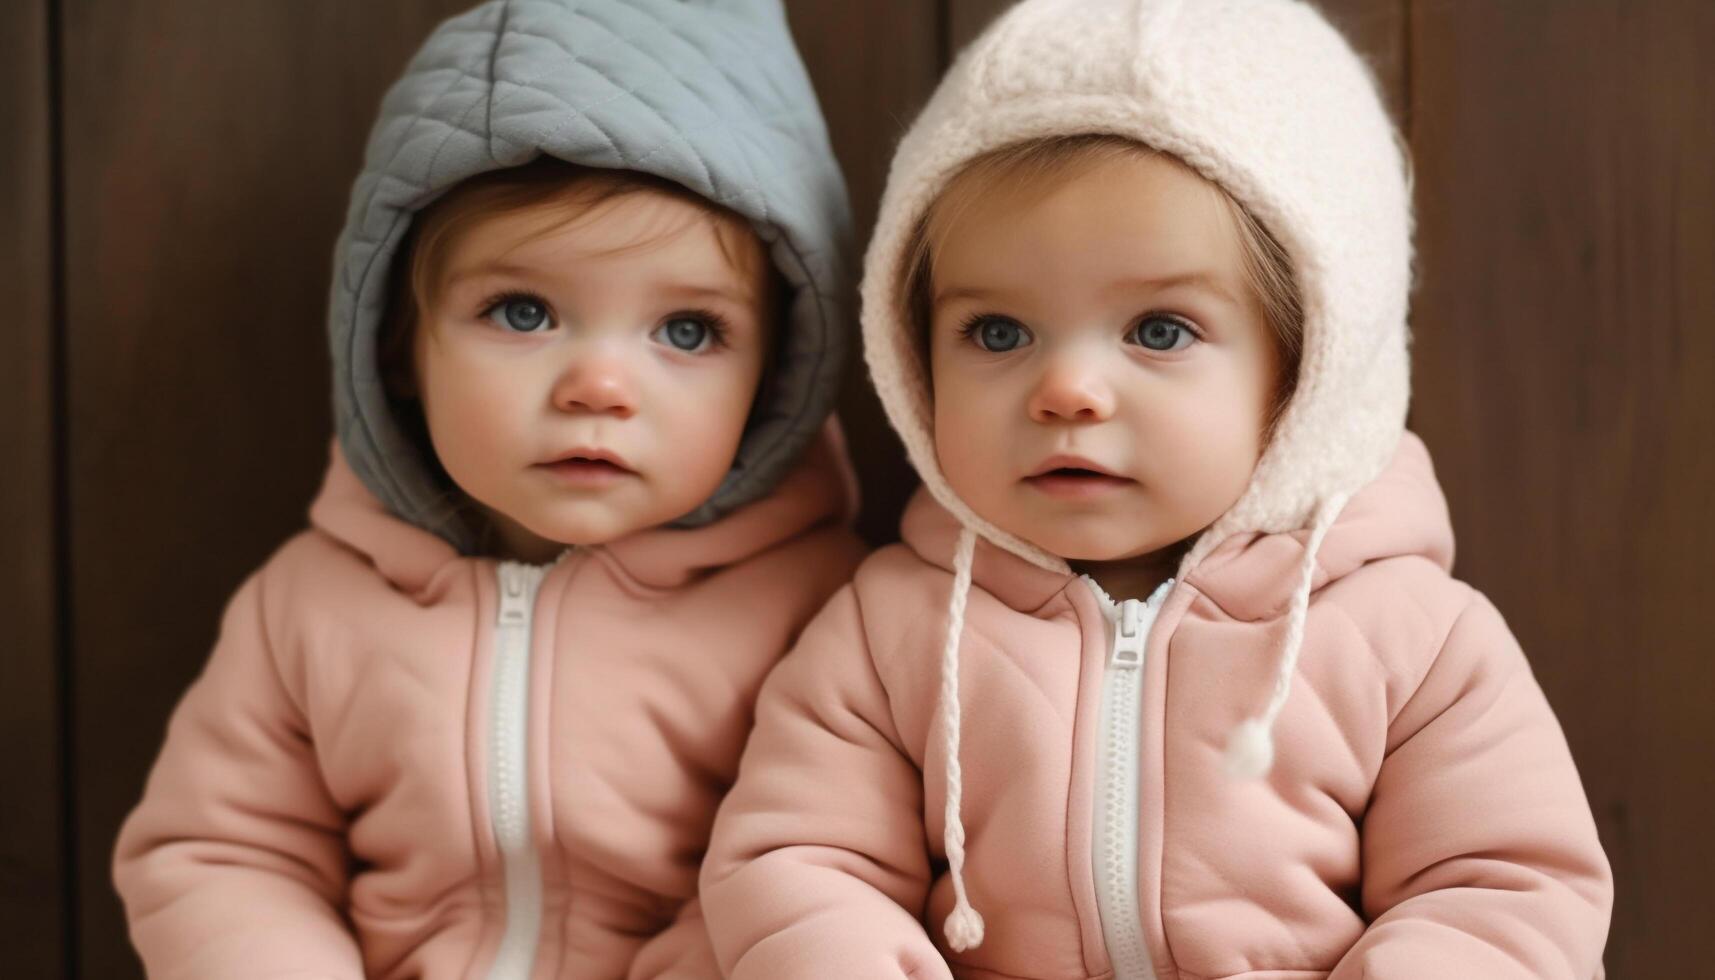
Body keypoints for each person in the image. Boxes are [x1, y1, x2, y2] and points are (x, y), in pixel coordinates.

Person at [701, 0, 1613, 976]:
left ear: (1306, 367)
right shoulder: (889, 634)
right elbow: (796, 864)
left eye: (1158, 330)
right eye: (997, 333)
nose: (1065, 391)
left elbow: (1501, 887)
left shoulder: (1413, 641)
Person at [112, 1, 861, 976]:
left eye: (685, 331)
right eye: (522, 310)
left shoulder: (823, 613)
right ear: (397, 348)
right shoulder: (308, 606)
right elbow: (222, 852)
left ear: (775, 375)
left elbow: (819, 871)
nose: (598, 385)